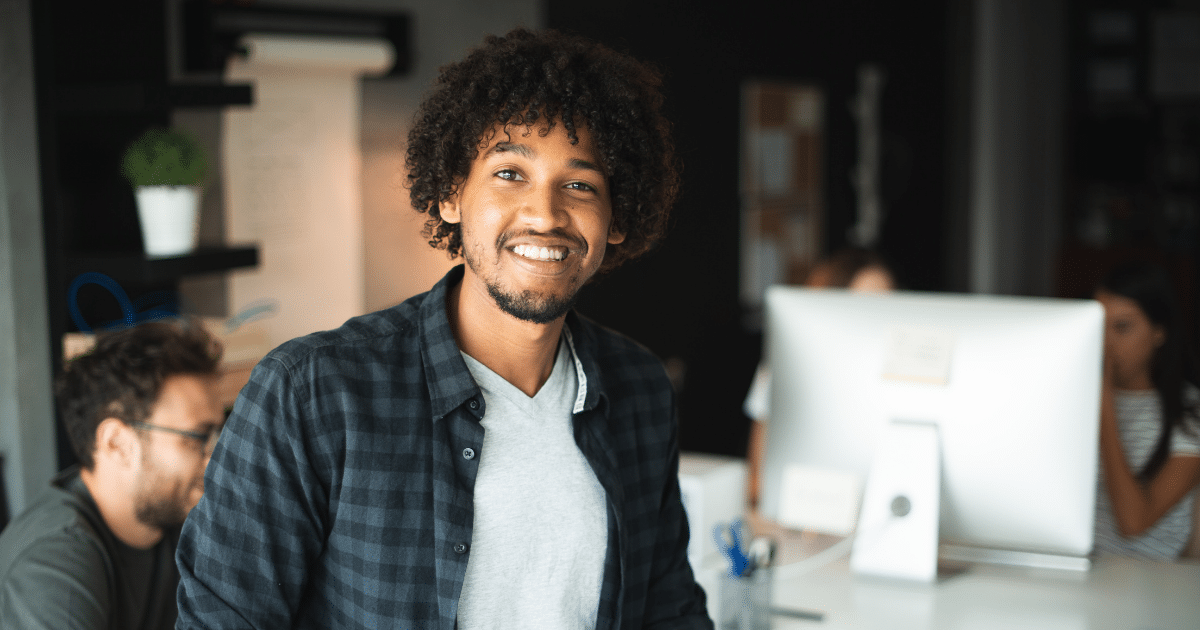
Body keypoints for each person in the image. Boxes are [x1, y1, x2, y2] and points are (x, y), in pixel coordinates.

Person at [176, 28, 712, 629]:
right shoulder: (313, 393)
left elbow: (669, 611)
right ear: (451, 195)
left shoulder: (638, 388)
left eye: (580, 185)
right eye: (510, 173)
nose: (545, 213)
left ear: (617, 218)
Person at [0, 320, 223, 629]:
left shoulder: (180, 517)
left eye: (219, 433)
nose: (218, 458)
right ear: (118, 444)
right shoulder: (55, 562)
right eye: (195, 438)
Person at [744, 247, 894, 508]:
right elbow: (759, 479)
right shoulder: (786, 368)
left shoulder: (902, 377)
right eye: (867, 305)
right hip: (807, 522)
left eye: (887, 304)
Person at [1092, 262, 1200, 560]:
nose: (1106, 343)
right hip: (1078, 574)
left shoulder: (1191, 414)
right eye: (1098, 327)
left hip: (1147, 587)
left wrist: (1105, 410)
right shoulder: (1074, 400)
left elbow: (1133, 523)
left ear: (1158, 333)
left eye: (1122, 327)